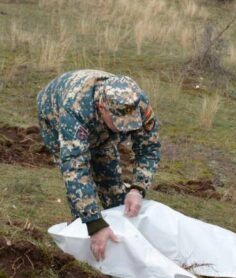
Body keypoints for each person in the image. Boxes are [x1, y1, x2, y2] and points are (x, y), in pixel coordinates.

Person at [37, 69, 161, 262]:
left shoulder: (137, 103)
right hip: (53, 112)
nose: (125, 129)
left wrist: (138, 188)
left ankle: (121, 246)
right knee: (83, 200)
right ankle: (85, 245)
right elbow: (75, 168)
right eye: (119, 122)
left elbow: (149, 148)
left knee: (114, 188)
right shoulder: (75, 108)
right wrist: (94, 223)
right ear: (102, 108)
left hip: (98, 126)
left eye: (130, 123)